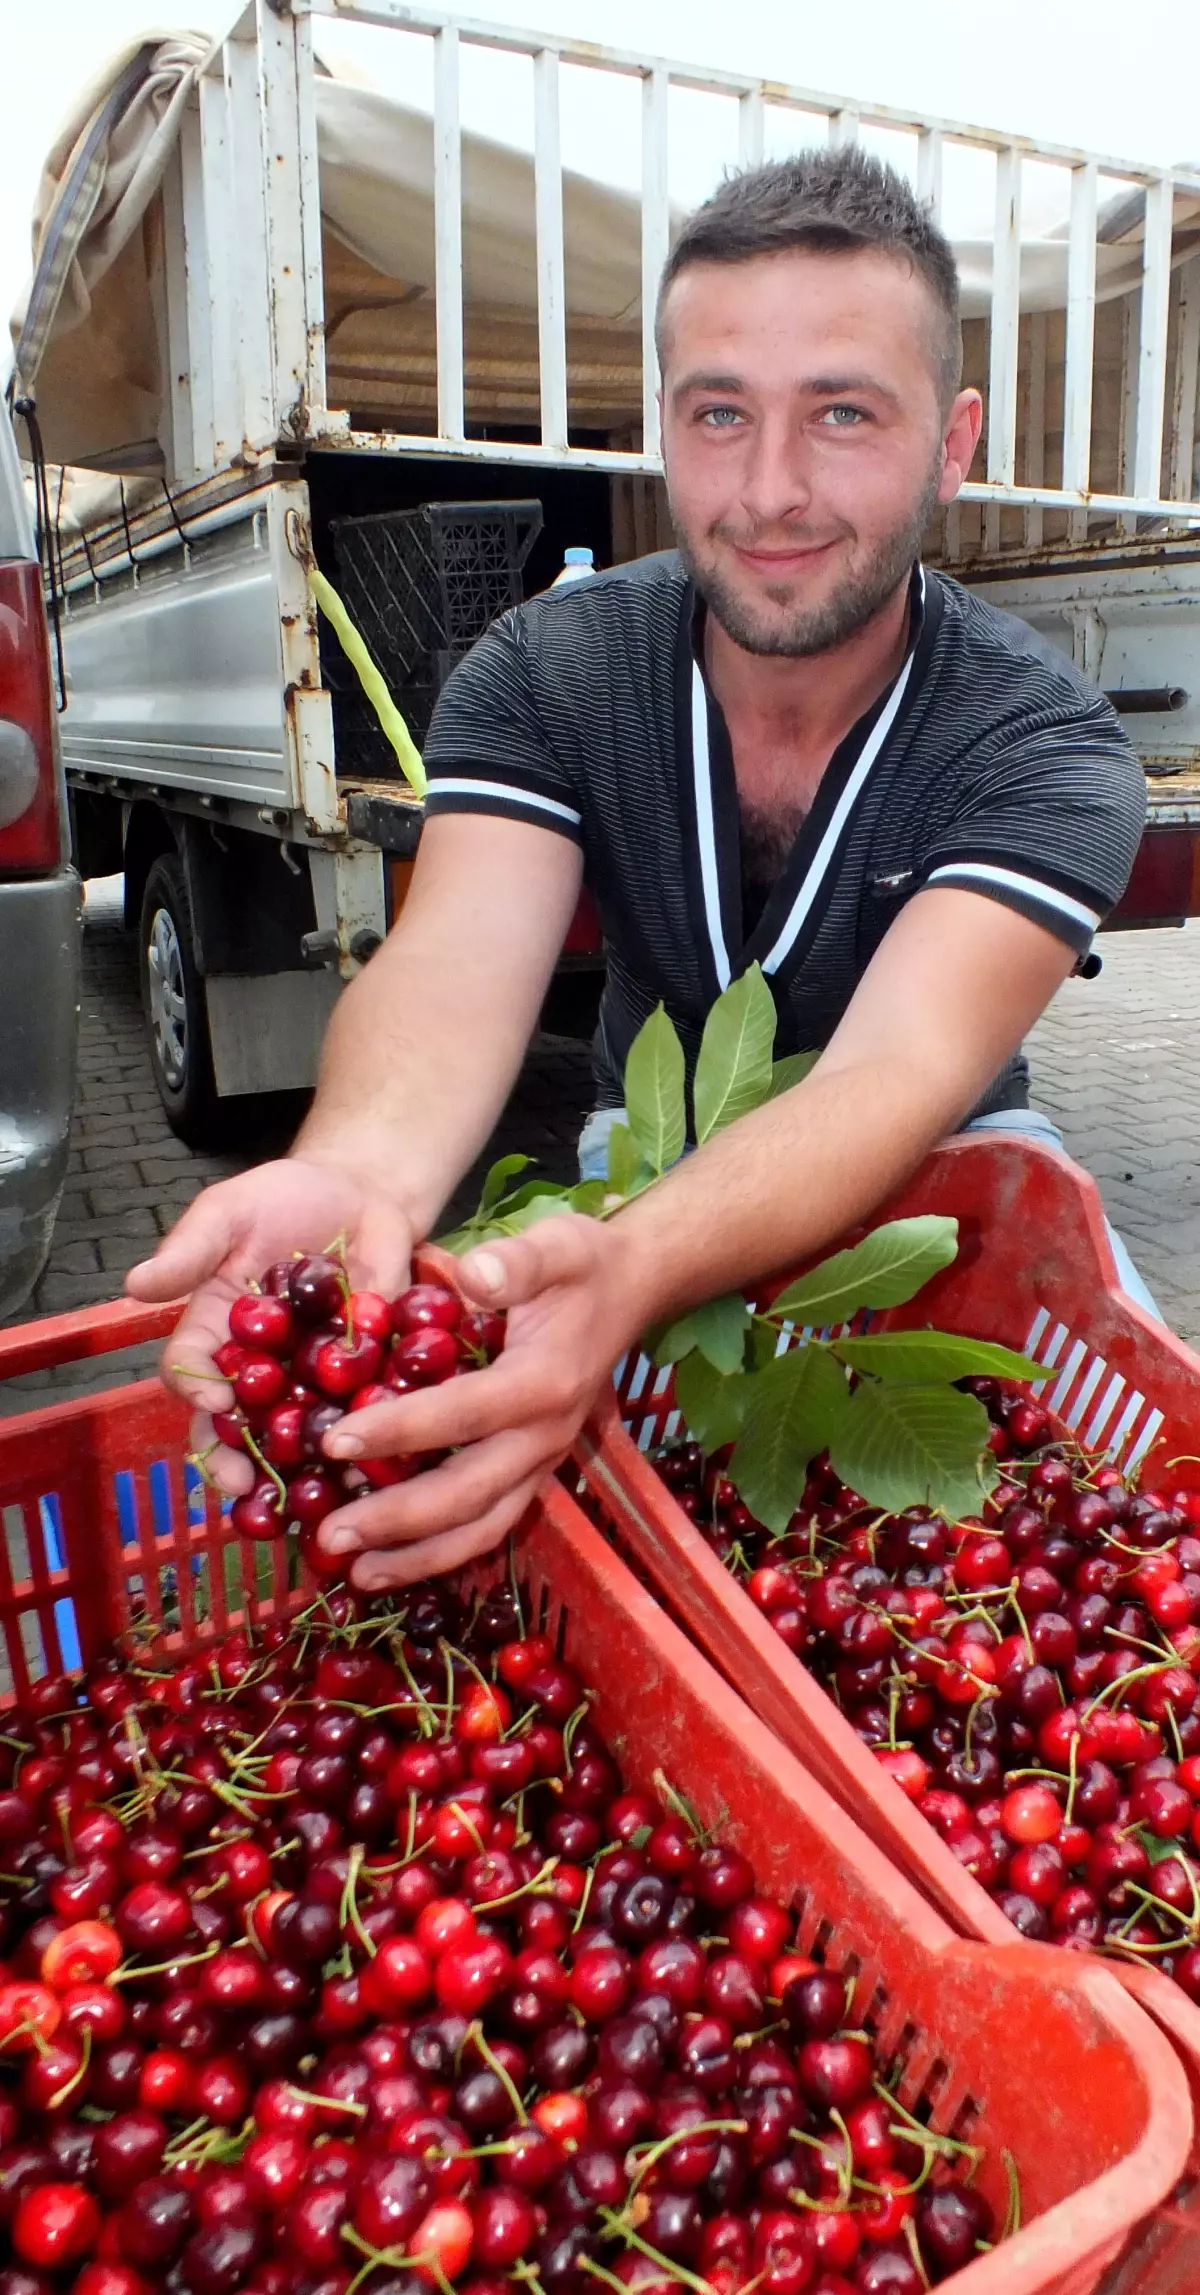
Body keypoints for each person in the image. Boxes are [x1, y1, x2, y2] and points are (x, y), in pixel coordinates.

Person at [127, 149, 1148, 1593]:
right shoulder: (553, 668)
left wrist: (636, 1264)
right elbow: (452, 963)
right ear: (662, 424)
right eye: (719, 414)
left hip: (949, 1185)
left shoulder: (1043, 742)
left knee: (1090, 1499)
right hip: (644, 1163)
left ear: (952, 440)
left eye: (843, 414)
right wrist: (354, 1166)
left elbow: (893, 1073)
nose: (770, 490)